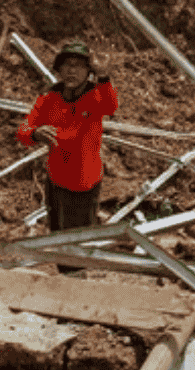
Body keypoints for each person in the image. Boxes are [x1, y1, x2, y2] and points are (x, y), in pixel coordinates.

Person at [16, 41, 118, 265]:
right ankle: (65, 278)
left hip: (84, 184)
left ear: (88, 72)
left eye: (78, 65)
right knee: (57, 237)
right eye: (66, 65)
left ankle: (77, 282)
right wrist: (35, 133)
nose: (71, 70)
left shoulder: (95, 96)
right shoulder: (48, 99)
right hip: (55, 181)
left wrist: (104, 77)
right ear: (59, 69)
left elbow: (111, 106)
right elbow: (23, 131)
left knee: (78, 247)